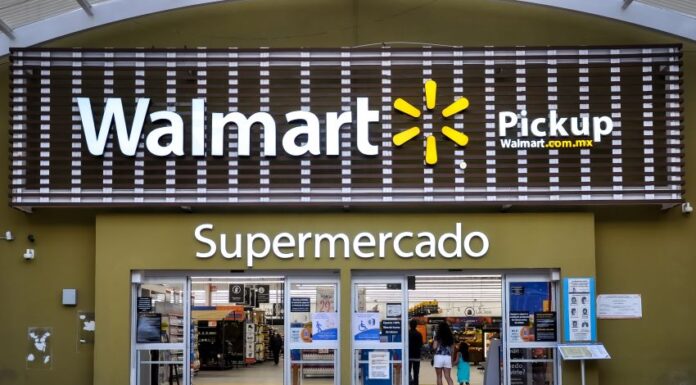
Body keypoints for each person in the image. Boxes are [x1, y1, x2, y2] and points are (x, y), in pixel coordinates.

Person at [409, 319, 424, 385]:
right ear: (416, 325)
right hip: (417, 356)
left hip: (408, 356)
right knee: (416, 372)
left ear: (410, 325)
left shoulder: (407, 334)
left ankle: (408, 382)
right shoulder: (419, 334)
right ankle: (415, 383)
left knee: (408, 371)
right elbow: (421, 344)